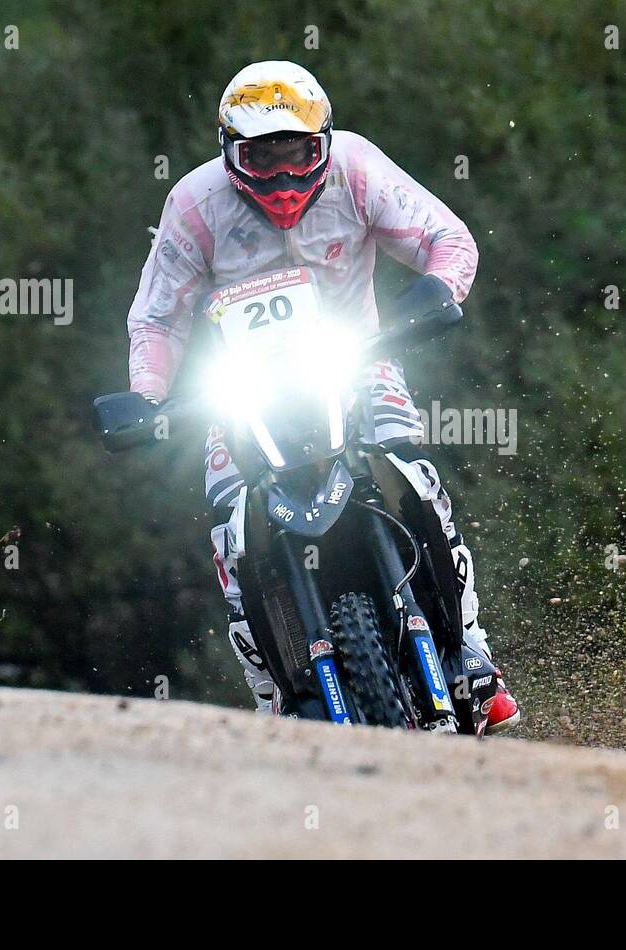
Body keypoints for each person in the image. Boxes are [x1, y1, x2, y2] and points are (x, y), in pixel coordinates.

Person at [126, 60, 519, 731]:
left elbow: (445, 237)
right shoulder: (194, 204)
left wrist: (436, 291)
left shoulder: (357, 169)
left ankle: (474, 655)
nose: (282, 175)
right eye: (261, 157)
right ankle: (270, 694)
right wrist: (146, 395)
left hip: (356, 364)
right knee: (230, 534)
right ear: (228, 153)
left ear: (325, 142)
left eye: (298, 153)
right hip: (246, 393)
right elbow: (159, 317)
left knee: (416, 475)